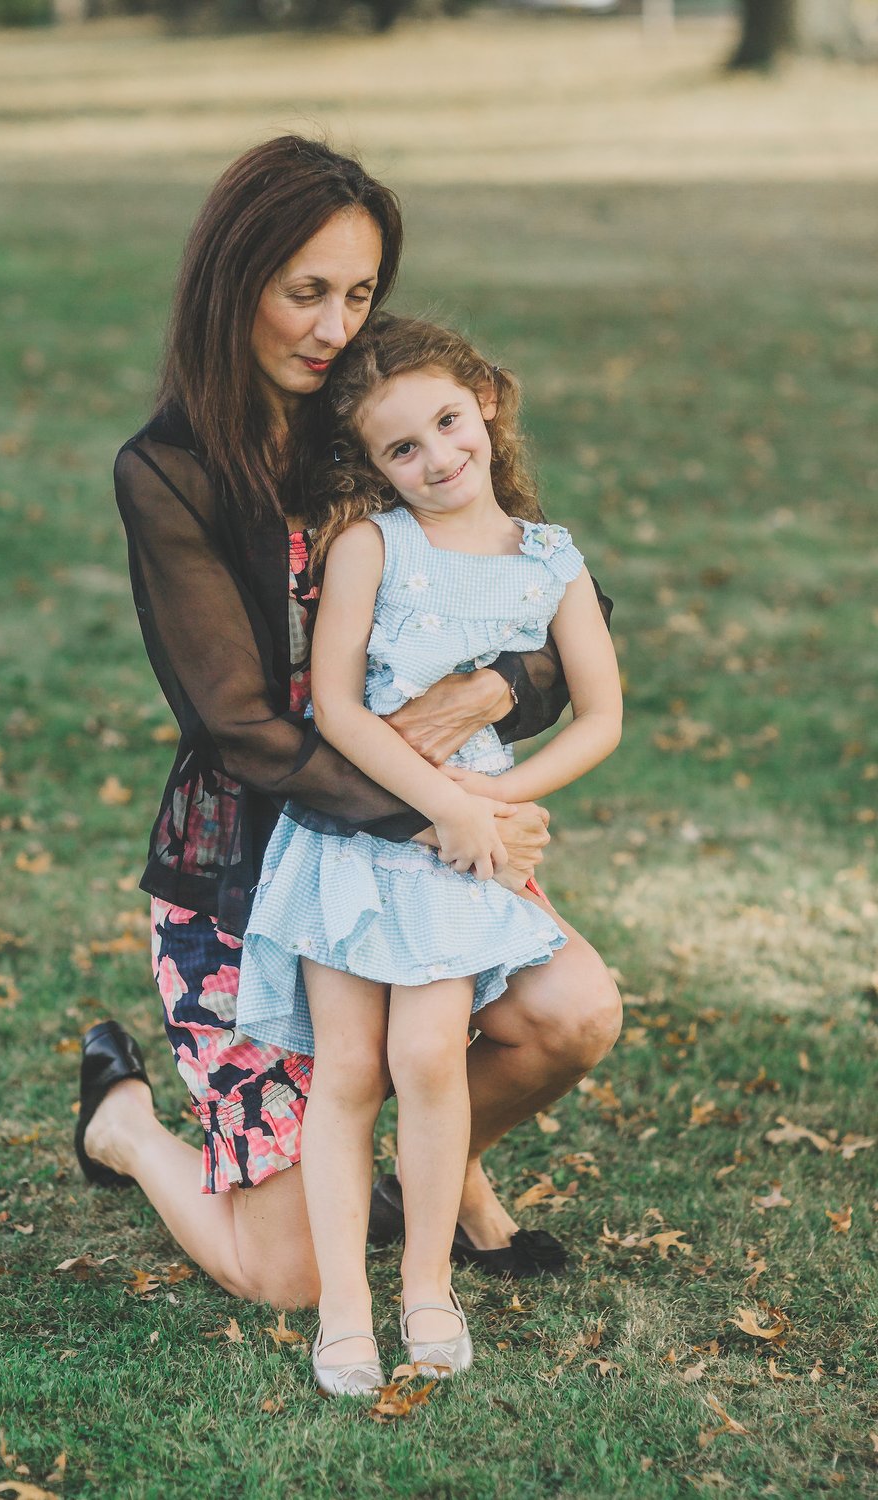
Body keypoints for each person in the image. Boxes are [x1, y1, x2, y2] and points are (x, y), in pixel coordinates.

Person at [75, 135, 622, 1316]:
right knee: (290, 1280)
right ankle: (123, 1126)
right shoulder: (169, 473)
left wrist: (498, 692)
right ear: (237, 286)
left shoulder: (378, 425)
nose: (334, 328)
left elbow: (550, 586)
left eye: (359, 293)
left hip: (420, 831)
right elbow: (239, 727)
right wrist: (450, 819)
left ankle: (439, 1166)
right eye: (305, 293)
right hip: (253, 865)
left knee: (571, 1015)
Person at [233, 314, 623, 1393]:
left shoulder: (549, 561)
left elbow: (600, 718)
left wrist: (495, 798)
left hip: (458, 859)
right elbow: (340, 710)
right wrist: (438, 806)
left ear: (486, 403)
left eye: (449, 424)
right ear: (371, 463)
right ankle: (346, 1315)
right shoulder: (372, 544)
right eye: (403, 449)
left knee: (430, 1061)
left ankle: (425, 1288)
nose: (438, 459)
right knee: (351, 1070)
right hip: (355, 840)